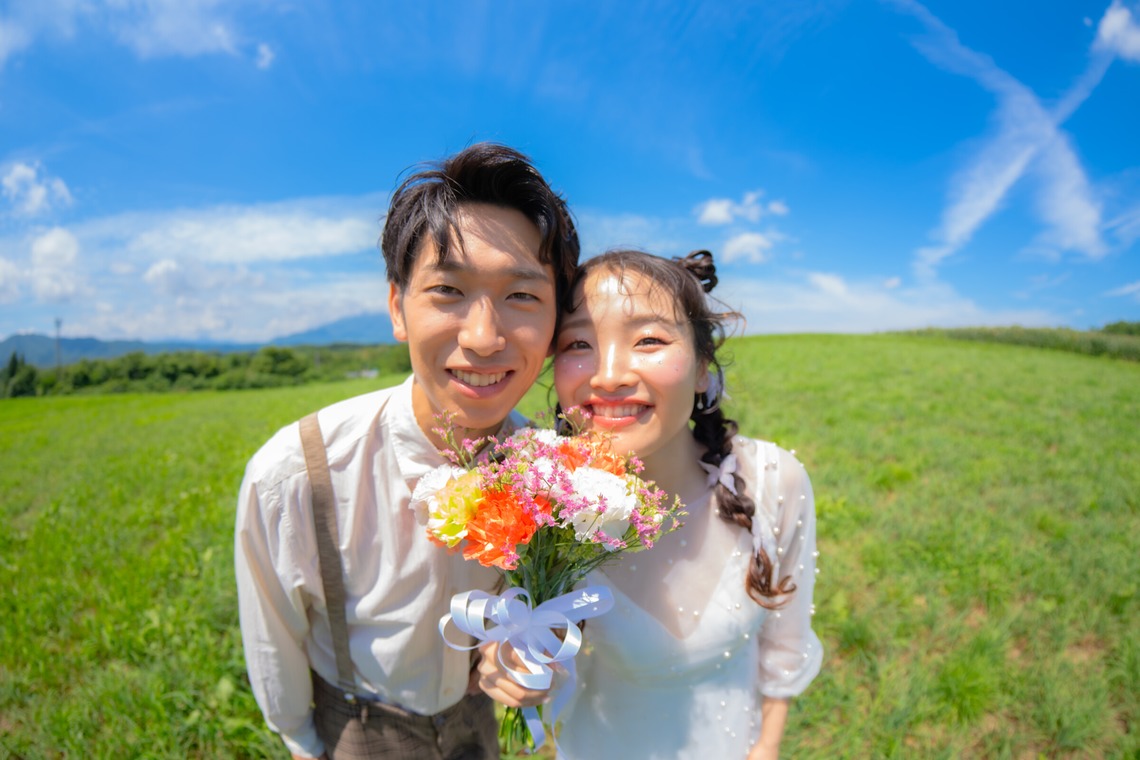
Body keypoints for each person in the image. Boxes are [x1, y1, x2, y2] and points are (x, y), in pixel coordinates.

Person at [235, 143, 579, 760]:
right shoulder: (297, 471)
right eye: (448, 290)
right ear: (398, 306)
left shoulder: (558, 476)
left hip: (481, 722)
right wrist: (304, 742)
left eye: (522, 296)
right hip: (359, 726)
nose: (482, 338)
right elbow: (273, 645)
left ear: (556, 321)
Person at [551, 249, 822, 760]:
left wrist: (766, 745)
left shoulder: (770, 480)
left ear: (702, 367)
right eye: (578, 343)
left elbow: (788, 636)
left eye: (648, 340)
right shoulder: (541, 509)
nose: (608, 376)